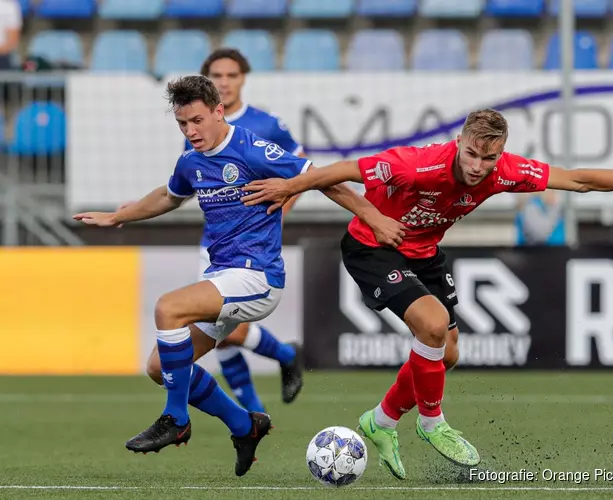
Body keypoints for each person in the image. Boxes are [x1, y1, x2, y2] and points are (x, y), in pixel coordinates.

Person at [239, 109, 613, 479]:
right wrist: (289, 186)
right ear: (459, 143)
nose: (479, 167)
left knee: (448, 353)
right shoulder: (415, 164)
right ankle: (432, 423)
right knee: (433, 324)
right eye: (472, 155)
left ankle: (379, 423)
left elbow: (576, 179)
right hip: (372, 247)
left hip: (423, 253)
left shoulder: (506, 171)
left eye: (489, 158)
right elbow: (340, 170)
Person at [73, 75, 403, 476]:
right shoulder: (191, 161)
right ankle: (245, 425)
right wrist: (118, 216)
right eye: (182, 124)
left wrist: (375, 217)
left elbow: (324, 181)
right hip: (224, 274)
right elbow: (168, 196)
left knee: (168, 309)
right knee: (161, 367)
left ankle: (175, 419)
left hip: (258, 277)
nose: (191, 131)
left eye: (197, 120)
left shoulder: (251, 148)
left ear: (218, 111)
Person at [197, 48, 306, 412]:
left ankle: (281, 362)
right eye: (216, 75)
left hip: (254, 249)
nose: (224, 82)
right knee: (220, 334)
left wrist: (281, 211)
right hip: (213, 245)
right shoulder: (197, 126)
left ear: (243, 78)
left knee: (219, 323)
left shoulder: (266, 125)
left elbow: (301, 174)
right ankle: (257, 409)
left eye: (231, 75)